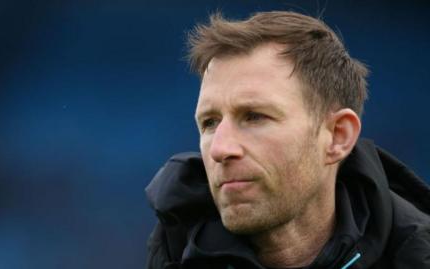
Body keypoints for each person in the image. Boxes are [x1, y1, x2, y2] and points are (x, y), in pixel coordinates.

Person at [145, 11, 430, 269]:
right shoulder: (172, 254)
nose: (220, 149)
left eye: (255, 116)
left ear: (337, 136)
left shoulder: (415, 254)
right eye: (209, 123)